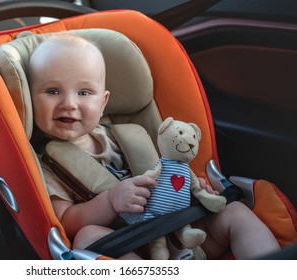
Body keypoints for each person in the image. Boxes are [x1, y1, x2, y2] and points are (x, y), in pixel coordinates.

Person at [28, 33, 280, 259]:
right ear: (30, 98)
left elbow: (167, 169)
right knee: (86, 237)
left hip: (183, 232)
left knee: (234, 212)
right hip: (129, 245)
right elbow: (65, 221)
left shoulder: (121, 135)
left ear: (103, 102)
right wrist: (110, 201)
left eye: (84, 92)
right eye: (52, 91)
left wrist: (192, 190)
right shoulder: (46, 164)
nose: (69, 103)